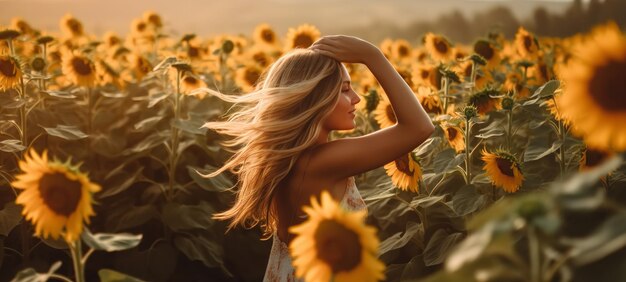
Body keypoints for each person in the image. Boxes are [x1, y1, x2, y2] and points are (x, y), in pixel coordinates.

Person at [202, 35, 435, 281]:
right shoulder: (320, 163)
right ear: (314, 97)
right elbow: (418, 127)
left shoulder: (292, 159)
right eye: (345, 89)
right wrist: (372, 56)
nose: (356, 98)